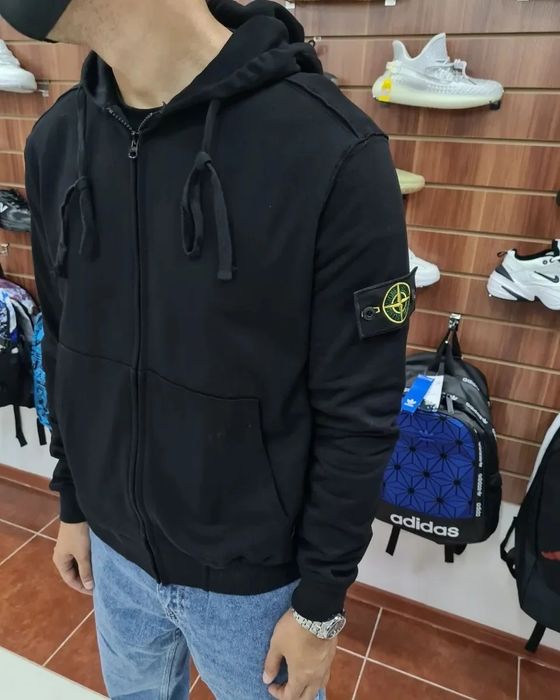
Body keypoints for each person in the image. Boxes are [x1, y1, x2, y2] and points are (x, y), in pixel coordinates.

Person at [2, 0, 414, 697]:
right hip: (114, 554)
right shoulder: (56, 141)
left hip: (254, 590)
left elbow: (361, 410)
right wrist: (74, 500)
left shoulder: (331, 150)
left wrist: (320, 603)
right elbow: (63, 345)